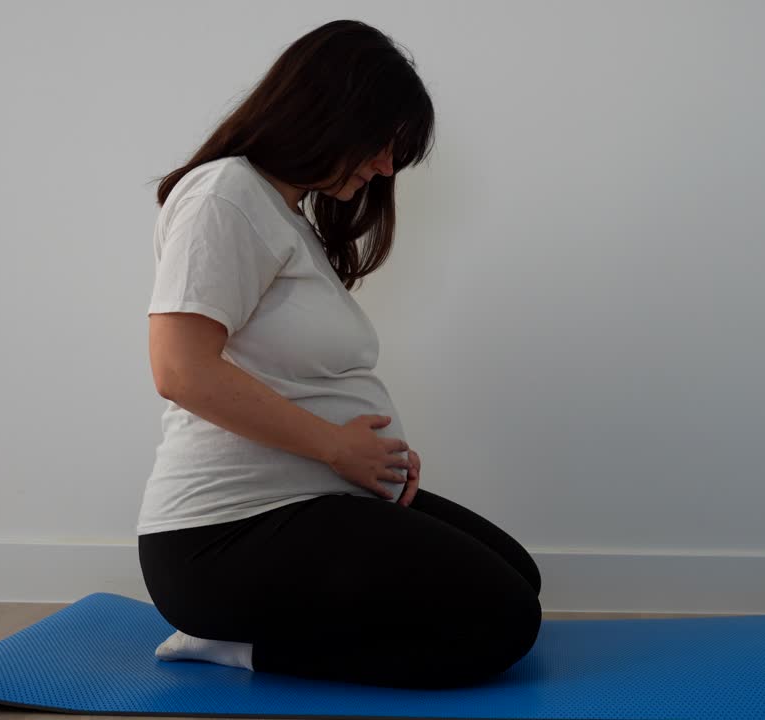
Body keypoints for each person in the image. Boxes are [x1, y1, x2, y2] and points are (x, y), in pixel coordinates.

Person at [136, 19, 542, 690]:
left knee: (517, 578)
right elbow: (180, 370)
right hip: (221, 536)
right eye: (381, 144)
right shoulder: (224, 196)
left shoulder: (283, 214)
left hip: (307, 501)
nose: (386, 167)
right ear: (325, 112)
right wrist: (336, 447)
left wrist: (372, 459)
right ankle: (236, 646)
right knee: (500, 622)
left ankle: (267, 626)